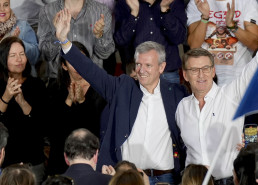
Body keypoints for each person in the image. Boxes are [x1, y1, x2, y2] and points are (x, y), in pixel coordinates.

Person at [54, 9, 188, 185]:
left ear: (162, 67)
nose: (141, 70)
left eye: (148, 65)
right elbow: (91, 71)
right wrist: (64, 41)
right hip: (129, 178)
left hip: (166, 177)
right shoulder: (123, 87)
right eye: (138, 64)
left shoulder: (177, 94)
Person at [176, 46, 258, 183]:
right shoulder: (182, 107)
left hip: (228, 181)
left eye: (206, 68)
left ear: (213, 71)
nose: (201, 75)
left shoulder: (230, 95)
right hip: (194, 181)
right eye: (194, 70)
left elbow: (252, 70)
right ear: (185, 75)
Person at [47, 41, 107, 175]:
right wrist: (68, 101)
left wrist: (82, 102)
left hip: (90, 158)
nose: (79, 65)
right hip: (61, 159)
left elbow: (97, 128)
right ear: (64, 66)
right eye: (73, 61)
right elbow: (53, 129)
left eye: (82, 59)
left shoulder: (100, 88)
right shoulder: (55, 88)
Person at [0, 37, 48, 183]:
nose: (19, 59)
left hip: (33, 161)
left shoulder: (37, 85)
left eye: (22, 54)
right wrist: (6, 97)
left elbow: (42, 125)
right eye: (13, 55)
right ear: (3, 58)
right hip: (6, 163)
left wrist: (22, 103)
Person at [37, 0, 115, 83]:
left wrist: (99, 36)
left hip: (92, 80)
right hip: (59, 80)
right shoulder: (47, 11)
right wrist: (57, 36)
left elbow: (105, 54)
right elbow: (46, 55)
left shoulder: (101, 10)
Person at [186, 0, 258, 86]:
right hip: (207, 79)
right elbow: (194, 46)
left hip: (239, 77)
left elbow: (254, 44)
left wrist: (232, 26)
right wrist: (205, 18)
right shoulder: (197, 2)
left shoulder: (247, 2)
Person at [114, 0, 187, 84]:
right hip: (138, 74)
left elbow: (179, 38)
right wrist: (133, 14)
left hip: (167, 73)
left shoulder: (174, 2)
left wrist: (165, 10)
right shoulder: (125, 2)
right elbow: (120, 40)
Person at [0, 0, 40, 76]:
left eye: (6, 5)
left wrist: (18, 43)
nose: (2, 9)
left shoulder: (22, 26)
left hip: (22, 78)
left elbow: (35, 57)